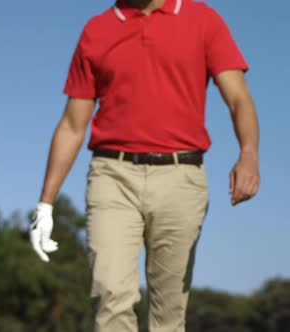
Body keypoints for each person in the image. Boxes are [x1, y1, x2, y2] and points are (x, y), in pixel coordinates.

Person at [29, 0, 260, 331]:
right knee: (110, 295)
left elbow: (239, 98)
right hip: (112, 176)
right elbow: (72, 124)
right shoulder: (98, 29)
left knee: (168, 311)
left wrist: (248, 152)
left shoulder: (203, 20)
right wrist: (45, 203)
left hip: (182, 177)